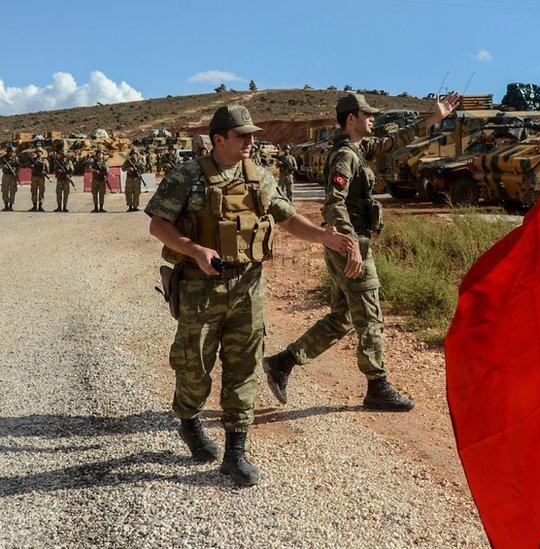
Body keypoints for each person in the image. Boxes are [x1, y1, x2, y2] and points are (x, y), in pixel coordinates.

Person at [145, 105, 360, 487]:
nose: (251, 141)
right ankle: (189, 420)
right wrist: (195, 250)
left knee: (244, 367)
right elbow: (158, 224)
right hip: (199, 288)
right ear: (218, 139)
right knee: (194, 368)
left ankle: (235, 452)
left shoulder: (260, 176)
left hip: (248, 287)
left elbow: (287, 217)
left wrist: (326, 237)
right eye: (242, 135)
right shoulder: (188, 175)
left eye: (253, 135)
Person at [263, 91, 460, 412]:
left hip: (348, 245)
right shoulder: (344, 157)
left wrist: (432, 119)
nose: (373, 119)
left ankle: (283, 362)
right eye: (367, 115)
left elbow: (392, 141)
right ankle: (377, 386)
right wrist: (350, 244)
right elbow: (333, 201)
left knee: (342, 317)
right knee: (370, 315)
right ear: (351, 119)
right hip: (349, 246)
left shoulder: (357, 149)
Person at [28, 148, 49, 212]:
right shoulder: (33, 160)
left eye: (39, 152)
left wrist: (45, 172)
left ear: (42, 153)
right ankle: (34, 206)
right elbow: (27, 166)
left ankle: (40, 206)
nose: (38, 153)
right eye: (37, 152)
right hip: (34, 177)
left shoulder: (44, 160)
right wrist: (31, 166)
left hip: (41, 177)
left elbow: (48, 169)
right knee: (34, 191)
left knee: (41, 191)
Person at [0, 147, 19, 211]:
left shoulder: (15, 159)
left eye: (13, 152)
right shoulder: (3, 158)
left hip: (13, 176)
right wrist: (3, 166)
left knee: (13, 190)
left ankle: (11, 205)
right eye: (10, 152)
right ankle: (6, 205)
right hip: (6, 175)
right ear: (8, 152)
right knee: (5, 190)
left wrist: (17, 174)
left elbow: (18, 167)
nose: (11, 153)